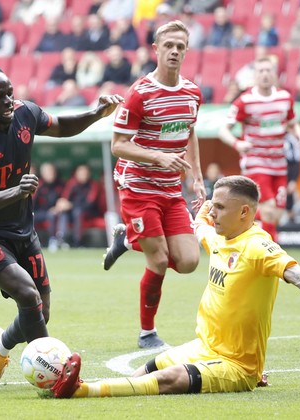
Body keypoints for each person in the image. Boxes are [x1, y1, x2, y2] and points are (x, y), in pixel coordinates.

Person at [48, 175, 300, 399]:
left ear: (245, 212)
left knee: (170, 379)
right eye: (215, 205)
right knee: (145, 369)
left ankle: (81, 390)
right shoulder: (218, 236)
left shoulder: (258, 247)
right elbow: (200, 223)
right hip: (204, 345)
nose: (214, 212)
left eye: (222, 207)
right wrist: (205, 207)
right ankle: (81, 385)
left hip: (237, 364)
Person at [0, 65, 123, 385]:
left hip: (22, 228)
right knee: (28, 295)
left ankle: (0, 344)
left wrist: (97, 113)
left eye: (9, 92)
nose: (8, 100)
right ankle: (56, 376)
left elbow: (61, 126)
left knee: (40, 311)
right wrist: (17, 191)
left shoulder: (25, 113)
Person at [102, 21, 206, 348]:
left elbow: (190, 132)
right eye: (169, 45)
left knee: (189, 262)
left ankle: (129, 240)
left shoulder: (192, 93)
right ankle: (147, 333)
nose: (174, 51)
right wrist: (158, 158)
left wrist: (198, 177)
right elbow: (118, 144)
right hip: (137, 187)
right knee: (159, 260)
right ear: (156, 50)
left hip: (171, 190)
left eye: (180, 46)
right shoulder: (140, 93)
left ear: (186, 51)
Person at [218, 57, 300, 241]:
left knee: (276, 213)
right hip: (256, 162)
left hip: (279, 164)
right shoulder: (245, 101)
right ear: (255, 76)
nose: (265, 75)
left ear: (275, 74)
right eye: (261, 71)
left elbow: (293, 123)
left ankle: (246, 230)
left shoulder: (284, 98)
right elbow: (223, 131)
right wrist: (237, 144)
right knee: (268, 209)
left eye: (268, 71)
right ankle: (270, 256)